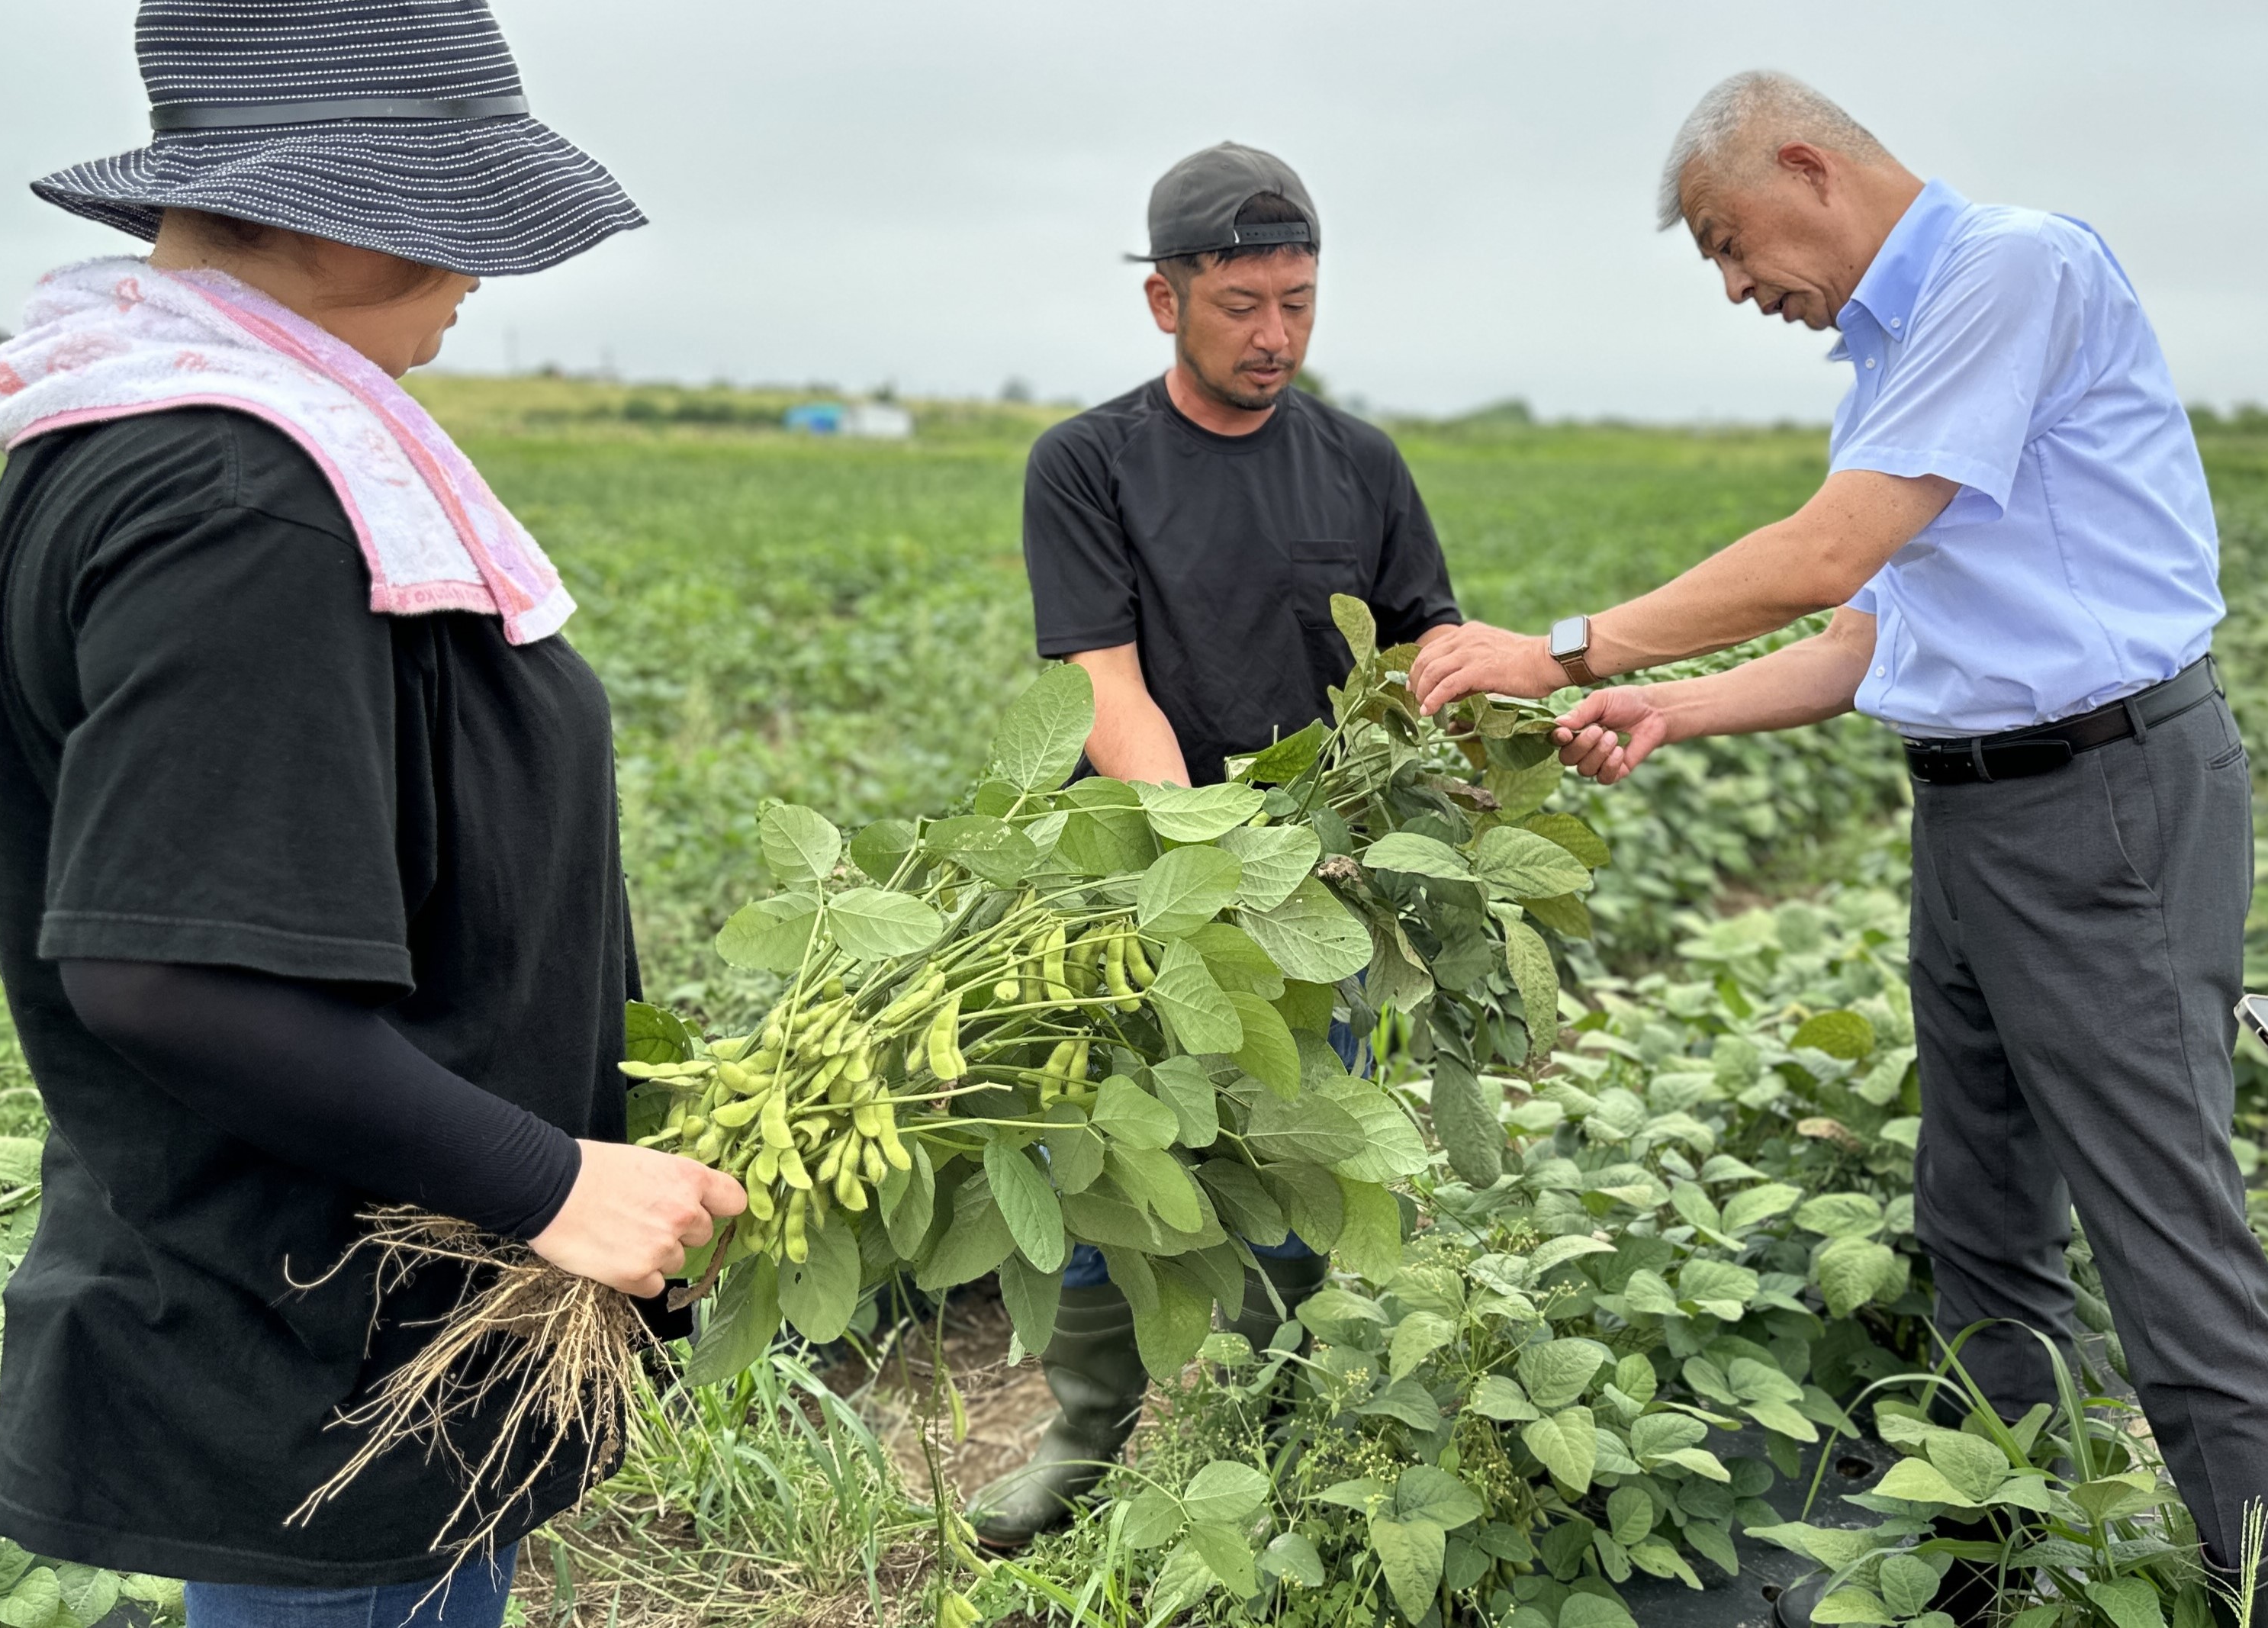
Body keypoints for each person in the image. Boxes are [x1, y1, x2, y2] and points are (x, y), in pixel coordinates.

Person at [1407, 71, 2264, 1625]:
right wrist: (1674, 704)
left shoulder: (2009, 267)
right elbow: (1872, 631)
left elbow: (1823, 550)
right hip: (1980, 807)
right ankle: (1995, 1559)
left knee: (2163, 1237)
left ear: (1806, 164)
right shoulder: (1889, 354)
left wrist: (1565, 647)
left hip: (2105, 802)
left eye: (1732, 245)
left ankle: (2253, 1570)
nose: (1739, 289)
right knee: (1979, 1213)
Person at [0, 5, 745, 1625]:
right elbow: (171, 971)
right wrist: (548, 1180)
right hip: (326, 1353)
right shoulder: (233, 494)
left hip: (344, 1323)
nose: (482, 275)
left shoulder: (155, 433)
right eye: (459, 222)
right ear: (332, 210)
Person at [967, 141, 1464, 1550]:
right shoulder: (1087, 464)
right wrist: (1200, 868)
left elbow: (1418, 648)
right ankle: (1081, 1447)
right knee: (1095, 1158)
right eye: (1242, 304)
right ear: (1163, 302)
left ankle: (1289, 1444)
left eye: (1299, 302)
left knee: (1305, 1163)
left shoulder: (1358, 464)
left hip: (1322, 885)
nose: (1276, 335)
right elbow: (1101, 679)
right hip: (1137, 864)